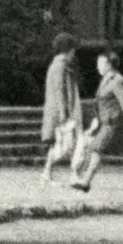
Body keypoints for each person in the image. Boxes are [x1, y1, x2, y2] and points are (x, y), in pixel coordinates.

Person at [72, 50, 123, 195]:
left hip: (114, 124)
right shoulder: (107, 79)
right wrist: (97, 118)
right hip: (111, 122)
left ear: (108, 64)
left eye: (100, 63)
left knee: (96, 149)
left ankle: (86, 182)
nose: (97, 66)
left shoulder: (117, 80)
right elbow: (102, 102)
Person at [40, 33, 83, 185]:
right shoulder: (60, 66)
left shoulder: (59, 65)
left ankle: (48, 173)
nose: (74, 53)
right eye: (73, 49)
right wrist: (64, 112)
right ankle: (73, 174)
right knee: (74, 142)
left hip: (61, 110)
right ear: (68, 49)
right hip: (63, 111)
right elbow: (59, 90)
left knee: (59, 143)